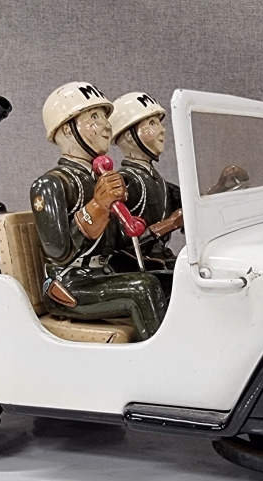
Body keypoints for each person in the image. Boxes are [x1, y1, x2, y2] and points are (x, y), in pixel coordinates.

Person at [31, 82, 167, 341]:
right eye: (94, 117)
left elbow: (114, 243)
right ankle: (163, 361)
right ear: (67, 129)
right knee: (143, 288)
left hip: (102, 272)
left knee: (171, 281)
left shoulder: (100, 178)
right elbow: (58, 251)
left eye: (104, 117)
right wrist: (98, 206)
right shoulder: (50, 185)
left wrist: (132, 223)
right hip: (69, 283)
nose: (106, 125)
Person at [109, 92, 184, 271]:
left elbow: (187, 204)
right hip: (139, 267)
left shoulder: (155, 179)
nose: (162, 130)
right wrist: (169, 224)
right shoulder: (126, 182)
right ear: (129, 135)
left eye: (159, 123)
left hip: (162, 259)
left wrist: (219, 187)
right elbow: (121, 245)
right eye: (151, 123)